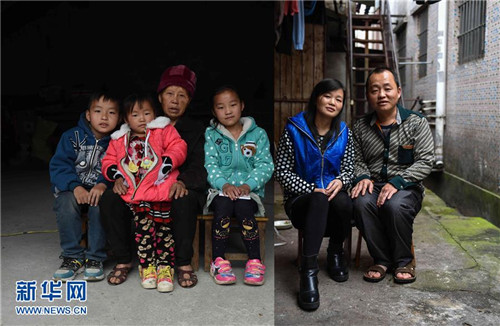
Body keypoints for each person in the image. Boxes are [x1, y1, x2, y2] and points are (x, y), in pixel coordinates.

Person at [100, 64, 208, 288]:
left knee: (184, 199)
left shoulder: (197, 129)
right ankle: (123, 259)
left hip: (177, 185)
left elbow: (201, 165)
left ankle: (183, 263)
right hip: (140, 187)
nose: (175, 101)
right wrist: (118, 178)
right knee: (110, 198)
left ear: (189, 100)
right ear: (160, 97)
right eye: (170, 94)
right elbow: (115, 158)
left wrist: (182, 181)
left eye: (182, 95)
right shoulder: (142, 125)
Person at [275, 79, 354, 311]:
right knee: (319, 198)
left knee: (343, 201)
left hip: (331, 198)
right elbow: (281, 171)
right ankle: (308, 273)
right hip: (301, 201)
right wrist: (310, 189)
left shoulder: (343, 132)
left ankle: (335, 252)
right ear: (317, 97)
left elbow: (349, 168)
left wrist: (341, 180)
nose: (333, 102)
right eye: (328, 96)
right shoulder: (294, 129)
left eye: (338, 99)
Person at [351, 66, 434, 284]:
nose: (381, 95)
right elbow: (356, 160)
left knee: (394, 205)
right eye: (374, 90)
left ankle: (404, 261)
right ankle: (381, 259)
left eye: (387, 88)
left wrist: (398, 182)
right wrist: (362, 177)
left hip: (407, 188)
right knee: (360, 203)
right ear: (368, 95)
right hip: (373, 184)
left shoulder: (417, 122)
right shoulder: (360, 127)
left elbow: (426, 161)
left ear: (398, 91)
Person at [101, 93, 187, 292]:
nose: (142, 119)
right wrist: (117, 176)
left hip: (159, 190)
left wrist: (168, 161)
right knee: (144, 231)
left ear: (154, 114)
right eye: (135, 115)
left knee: (164, 231)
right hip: (135, 194)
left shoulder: (163, 131)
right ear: (125, 119)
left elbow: (178, 146)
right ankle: (147, 267)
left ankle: (165, 269)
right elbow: (108, 161)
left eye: (147, 113)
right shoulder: (119, 139)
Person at [204, 85, 274, 286]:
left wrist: (248, 185)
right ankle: (218, 260)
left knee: (244, 208)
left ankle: (254, 260)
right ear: (214, 111)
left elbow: (265, 165)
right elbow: (210, 165)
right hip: (219, 191)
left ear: (242, 106)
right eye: (221, 107)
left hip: (249, 193)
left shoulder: (258, 134)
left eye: (232, 105)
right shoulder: (211, 135)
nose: (227, 111)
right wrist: (224, 185)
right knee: (224, 207)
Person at [49, 91, 120, 282]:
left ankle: (95, 258)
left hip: (100, 191)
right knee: (65, 203)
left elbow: (120, 169)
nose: (104, 117)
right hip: (73, 191)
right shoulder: (71, 137)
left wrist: (104, 184)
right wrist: (75, 186)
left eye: (111, 113)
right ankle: (72, 257)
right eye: (98, 111)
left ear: (119, 117)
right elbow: (59, 166)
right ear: (88, 115)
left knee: (101, 204)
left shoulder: (119, 141)